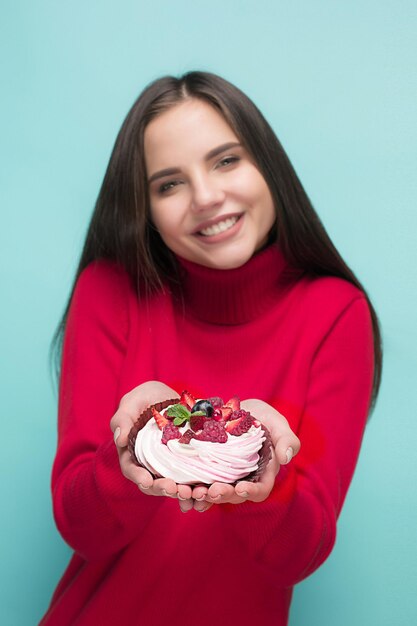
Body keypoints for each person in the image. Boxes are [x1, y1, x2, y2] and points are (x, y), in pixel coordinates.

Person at [40, 71, 382, 626]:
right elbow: (81, 529)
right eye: (169, 184)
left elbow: (299, 554)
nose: (205, 197)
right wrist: (122, 463)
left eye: (226, 160)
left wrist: (264, 487)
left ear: (268, 167)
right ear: (144, 206)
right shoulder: (109, 290)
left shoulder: (335, 313)